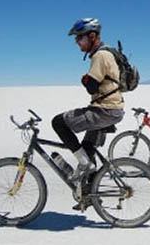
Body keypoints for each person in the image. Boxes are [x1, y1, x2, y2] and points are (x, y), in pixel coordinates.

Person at [52, 18, 124, 182]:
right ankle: (89, 190)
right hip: (113, 109)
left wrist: (85, 80)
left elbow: (91, 86)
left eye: (79, 37)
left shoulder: (100, 56)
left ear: (92, 36)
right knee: (86, 147)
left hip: (104, 110)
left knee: (58, 122)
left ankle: (85, 163)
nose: (77, 42)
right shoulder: (106, 53)